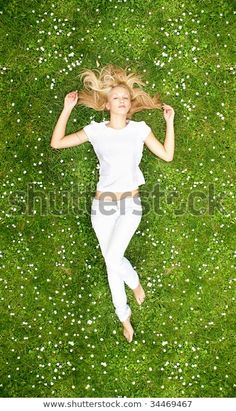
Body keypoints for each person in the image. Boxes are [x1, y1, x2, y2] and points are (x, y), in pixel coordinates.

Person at [50, 64, 175, 343]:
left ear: (130, 106)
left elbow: (166, 155)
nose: (122, 100)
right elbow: (57, 142)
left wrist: (169, 123)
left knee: (111, 259)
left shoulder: (140, 129)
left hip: (130, 205)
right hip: (102, 208)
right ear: (107, 105)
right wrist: (68, 108)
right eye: (116, 97)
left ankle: (129, 300)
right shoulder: (96, 131)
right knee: (112, 261)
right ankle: (129, 300)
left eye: (126, 98)